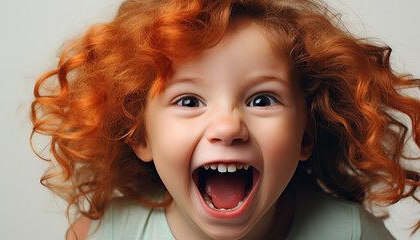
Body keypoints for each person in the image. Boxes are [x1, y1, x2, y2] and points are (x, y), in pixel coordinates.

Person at [30, 0, 420, 239]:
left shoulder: (351, 233)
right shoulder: (103, 235)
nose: (228, 126)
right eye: (188, 100)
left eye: (262, 99)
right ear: (140, 135)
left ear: (306, 135)